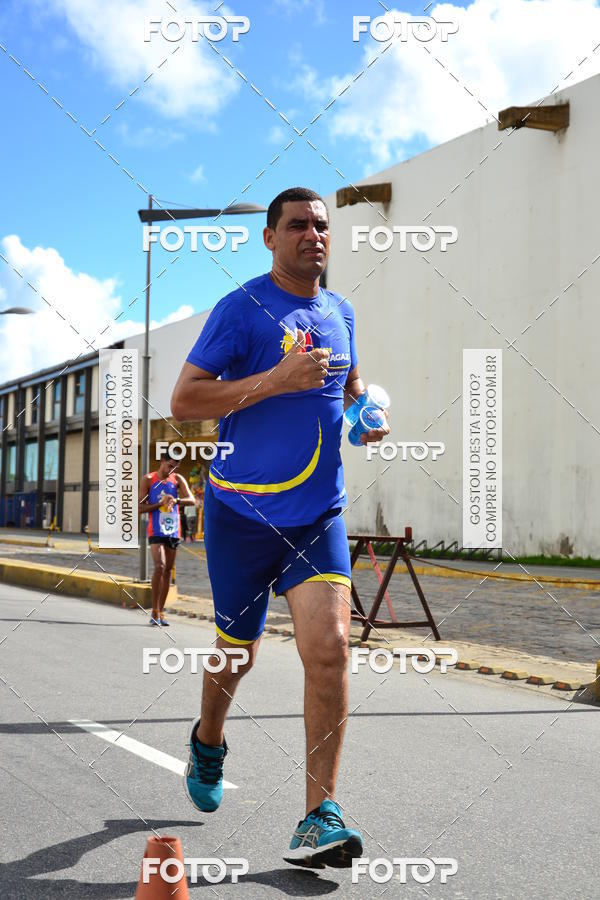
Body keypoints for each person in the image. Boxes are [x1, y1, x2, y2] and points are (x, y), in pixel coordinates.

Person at [170, 187, 389, 868]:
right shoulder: (242, 309)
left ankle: (318, 815)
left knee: (329, 650)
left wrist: (365, 417)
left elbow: (347, 390)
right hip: (241, 515)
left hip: (318, 514)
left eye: (322, 226)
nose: (313, 235)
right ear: (270, 237)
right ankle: (209, 740)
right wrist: (274, 379)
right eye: (298, 225)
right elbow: (185, 401)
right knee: (238, 652)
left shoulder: (341, 311)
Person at [138, 449, 195, 626]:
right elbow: (139, 507)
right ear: (162, 460)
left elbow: (192, 500)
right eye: (170, 466)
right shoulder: (149, 480)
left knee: (168, 570)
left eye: (175, 467)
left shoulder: (177, 480)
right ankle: (154, 610)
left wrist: (175, 501)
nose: (172, 470)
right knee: (159, 565)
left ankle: (161, 612)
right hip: (155, 530)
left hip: (172, 530)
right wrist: (159, 504)